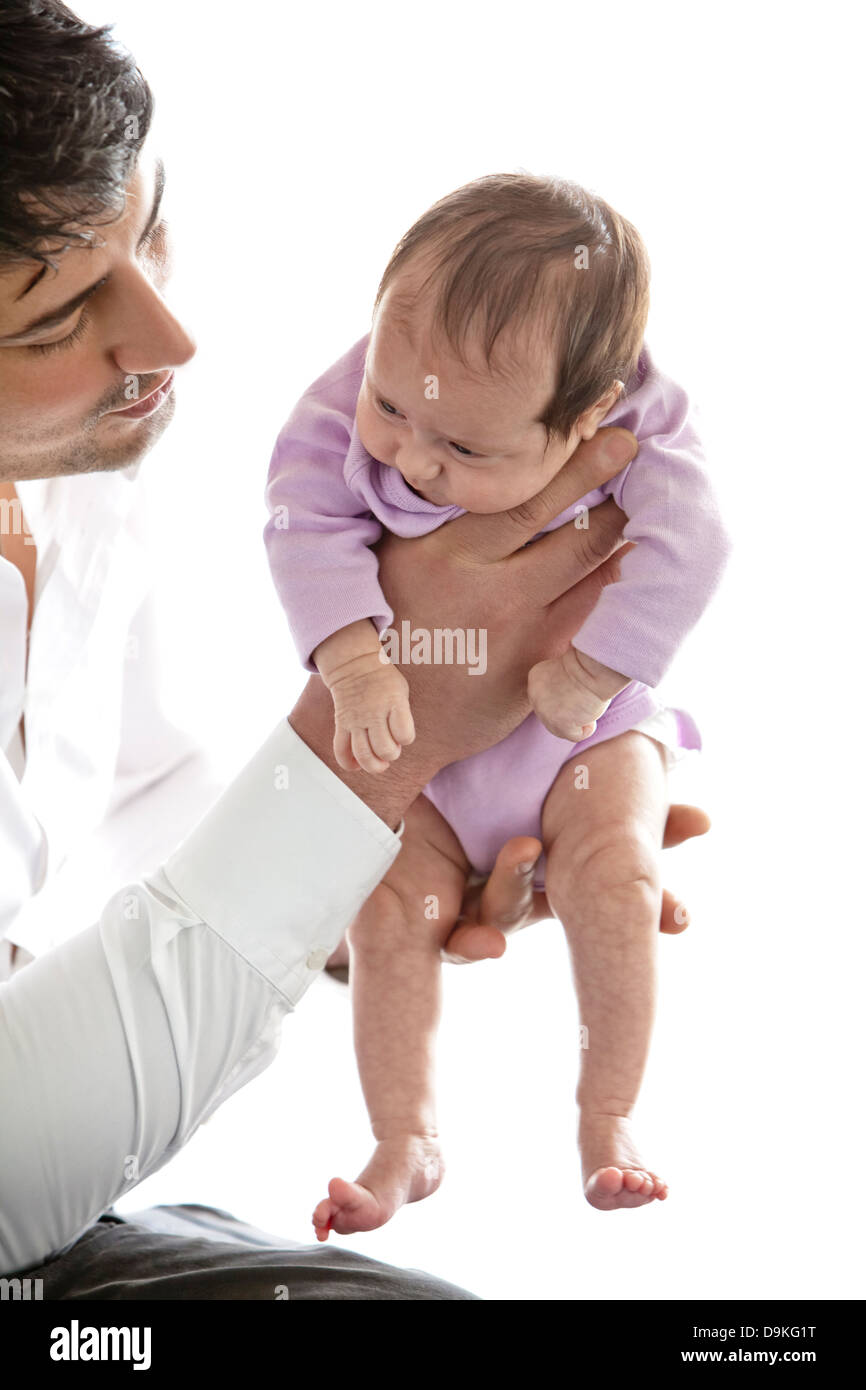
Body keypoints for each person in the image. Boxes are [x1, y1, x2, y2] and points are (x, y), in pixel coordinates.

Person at [0, 0, 709, 1298]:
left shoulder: (78, 458)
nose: (169, 339)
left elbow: (135, 801)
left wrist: (396, 865)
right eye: (54, 318)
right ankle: (409, 1143)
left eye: (147, 222)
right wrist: (384, 744)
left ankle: (577, 1116)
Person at [264, 177, 730, 1239]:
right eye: (393, 406)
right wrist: (354, 663)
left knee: (612, 876)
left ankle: (606, 1115)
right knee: (386, 918)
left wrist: (600, 670)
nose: (410, 454)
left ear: (587, 415)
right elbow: (300, 519)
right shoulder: (352, 400)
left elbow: (693, 544)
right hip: (418, 757)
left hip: (582, 736)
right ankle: (403, 1139)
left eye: (463, 449)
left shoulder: (647, 427)